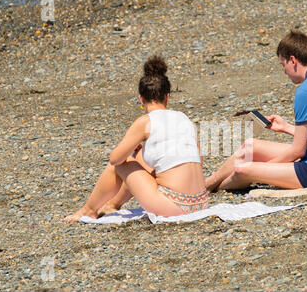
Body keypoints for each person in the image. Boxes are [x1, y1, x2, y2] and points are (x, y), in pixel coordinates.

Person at [205, 30, 307, 192]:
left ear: (293, 60)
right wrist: (285, 127)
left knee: (243, 170)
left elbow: (297, 151)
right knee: (249, 147)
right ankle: (205, 185)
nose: (284, 72)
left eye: (283, 65)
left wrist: (263, 169)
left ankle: (209, 192)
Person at [63, 55, 208, 223]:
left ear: (141, 98)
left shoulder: (145, 122)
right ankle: (112, 205)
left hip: (174, 206)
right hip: (200, 204)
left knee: (121, 164)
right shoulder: (184, 119)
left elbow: (115, 159)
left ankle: (88, 210)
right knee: (142, 159)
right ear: (167, 97)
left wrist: (131, 151)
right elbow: (198, 161)